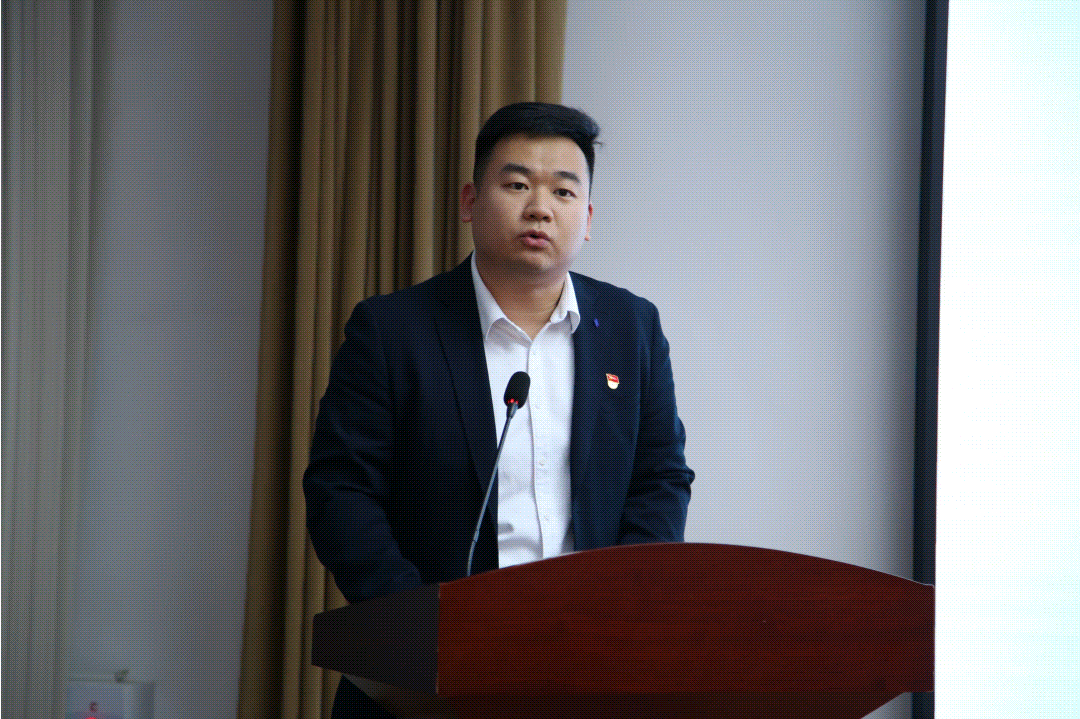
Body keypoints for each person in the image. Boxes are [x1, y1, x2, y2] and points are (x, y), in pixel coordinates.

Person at [303, 102, 694, 718]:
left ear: (587, 218)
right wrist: (425, 626)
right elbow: (340, 491)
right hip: (428, 674)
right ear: (469, 202)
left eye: (564, 191)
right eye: (516, 185)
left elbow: (661, 478)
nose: (540, 208)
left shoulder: (631, 328)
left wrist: (621, 604)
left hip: (586, 666)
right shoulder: (393, 330)